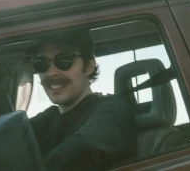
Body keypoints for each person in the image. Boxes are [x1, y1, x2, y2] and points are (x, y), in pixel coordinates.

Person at [27, 30, 136, 171]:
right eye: (41, 63)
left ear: (89, 66)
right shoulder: (46, 120)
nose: (51, 72)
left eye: (64, 60)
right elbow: (9, 140)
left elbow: (86, 147)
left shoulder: (113, 109)